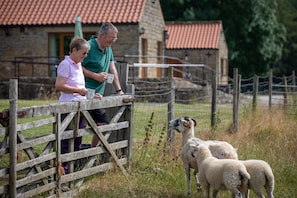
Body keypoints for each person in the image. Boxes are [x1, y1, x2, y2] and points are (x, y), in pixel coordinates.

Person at [82, 22, 124, 147]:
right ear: (103, 35)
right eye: (112, 38)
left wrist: (119, 91)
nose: (114, 41)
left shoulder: (108, 49)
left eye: (115, 38)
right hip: (83, 93)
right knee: (78, 128)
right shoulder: (88, 46)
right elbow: (77, 66)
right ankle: (71, 158)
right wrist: (95, 76)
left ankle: (90, 153)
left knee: (102, 125)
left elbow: (113, 69)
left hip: (97, 96)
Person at [55, 37, 90, 172]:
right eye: (84, 53)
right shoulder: (65, 64)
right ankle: (63, 170)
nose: (85, 56)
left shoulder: (78, 64)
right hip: (68, 107)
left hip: (79, 107)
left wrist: (89, 94)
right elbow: (59, 85)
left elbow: (78, 86)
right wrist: (78, 90)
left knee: (77, 139)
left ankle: (72, 168)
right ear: (74, 50)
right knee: (66, 140)